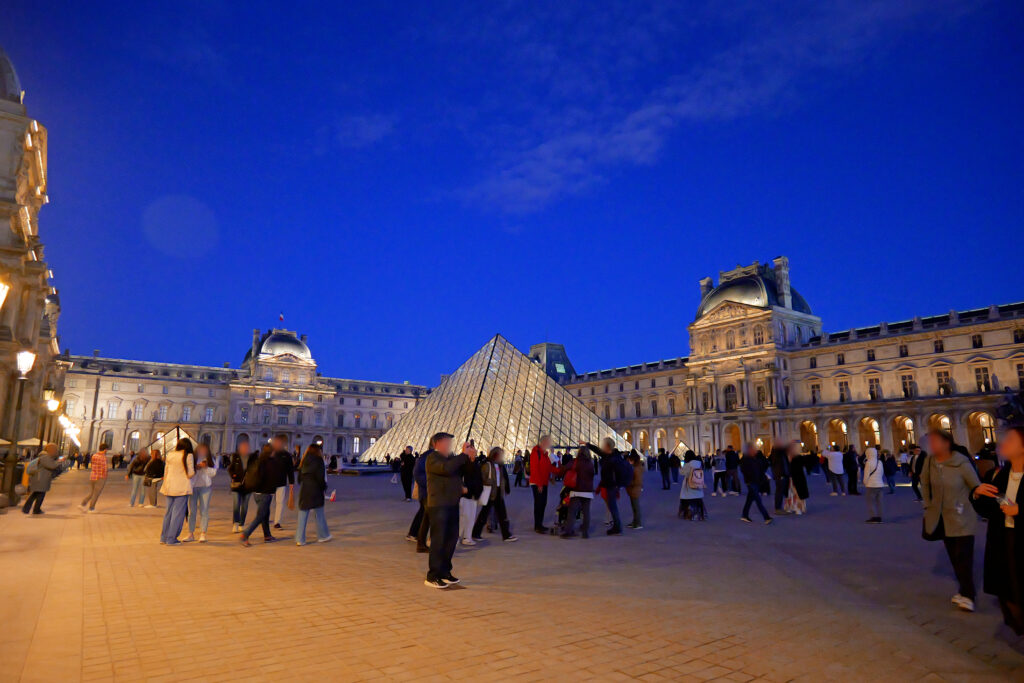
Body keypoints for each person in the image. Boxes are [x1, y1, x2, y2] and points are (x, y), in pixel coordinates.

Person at [921, 429, 988, 612]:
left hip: (962, 517)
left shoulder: (961, 463)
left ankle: (968, 596)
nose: (931, 445)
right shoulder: (929, 462)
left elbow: (975, 485)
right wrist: (928, 504)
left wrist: (980, 492)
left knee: (963, 557)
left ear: (946, 443)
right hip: (942, 517)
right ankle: (963, 590)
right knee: (954, 556)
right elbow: (924, 483)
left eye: (935, 441)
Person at [972, 425, 1024, 635]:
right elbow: (992, 508)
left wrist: (1020, 509)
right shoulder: (1001, 475)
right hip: (1004, 539)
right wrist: (977, 494)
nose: (1003, 444)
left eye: (1010, 440)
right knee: (1008, 591)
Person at [424, 432, 468, 589]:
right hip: (439, 505)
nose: (450, 445)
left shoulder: (450, 458)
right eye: (447, 442)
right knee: (439, 540)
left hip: (451, 503)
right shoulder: (432, 458)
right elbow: (446, 469)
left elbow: (456, 473)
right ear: (437, 443)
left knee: (451, 538)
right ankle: (432, 575)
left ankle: (445, 572)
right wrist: (463, 455)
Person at [580, 437, 627, 536]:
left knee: (612, 506)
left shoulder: (614, 458)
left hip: (612, 485)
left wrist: (617, 485)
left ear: (607, 446)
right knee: (611, 506)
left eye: (603, 445)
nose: (602, 447)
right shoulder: (608, 455)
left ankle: (617, 527)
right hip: (609, 484)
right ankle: (616, 526)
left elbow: (619, 472)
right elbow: (597, 450)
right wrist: (586, 444)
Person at [472, 447, 518, 542]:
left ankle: (506, 535)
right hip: (490, 492)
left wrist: (505, 488)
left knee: (502, 514)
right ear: (496, 455)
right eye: (501, 455)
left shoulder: (500, 465)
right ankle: (476, 533)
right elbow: (482, 478)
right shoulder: (487, 465)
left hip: (497, 492)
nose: (502, 457)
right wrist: (490, 483)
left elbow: (503, 478)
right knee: (484, 514)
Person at [240, 444, 282, 547]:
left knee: (265, 514)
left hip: (256, 493)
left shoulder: (258, 461)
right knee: (260, 516)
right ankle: (245, 534)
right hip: (265, 493)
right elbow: (273, 478)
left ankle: (267, 535)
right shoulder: (271, 463)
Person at [159, 440, 195, 545]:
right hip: (181, 488)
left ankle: (164, 538)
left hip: (169, 486)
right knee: (177, 514)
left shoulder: (170, 455)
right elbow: (190, 473)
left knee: (168, 513)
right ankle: (172, 539)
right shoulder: (188, 456)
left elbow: (166, 471)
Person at [296, 444, 332, 545]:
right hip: (315, 490)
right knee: (319, 514)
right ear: (318, 451)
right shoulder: (319, 461)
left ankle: (300, 539)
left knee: (302, 515)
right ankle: (323, 536)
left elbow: (299, 479)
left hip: (305, 490)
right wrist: (324, 487)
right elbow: (320, 477)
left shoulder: (303, 461)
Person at [184, 442, 217, 543]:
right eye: (201, 449)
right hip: (193, 487)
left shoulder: (211, 460)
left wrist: (205, 467)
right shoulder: (192, 459)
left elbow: (213, 473)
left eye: (204, 449)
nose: (202, 451)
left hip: (205, 488)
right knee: (191, 511)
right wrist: (196, 468)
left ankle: (203, 533)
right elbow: (188, 472)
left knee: (204, 510)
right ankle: (190, 533)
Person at [560, 446, 596, 539]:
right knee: (586, 512)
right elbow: (592, 474)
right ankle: (585, 532)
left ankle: (568, 531)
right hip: (588, 491)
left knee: (572, 511)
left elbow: (564, 469)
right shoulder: (590, 463)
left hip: (576, 490)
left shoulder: (575, 461)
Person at [21, 443, 61, 515]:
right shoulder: (45, 457)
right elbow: (52, 466)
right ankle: (33, 509)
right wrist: (60, 461)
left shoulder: (45, 457)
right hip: (40, 479)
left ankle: (30, 509)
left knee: (37, 494)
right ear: (51, 450)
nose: (56, 452)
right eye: (55, 450)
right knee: (39, 495)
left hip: (41, 479)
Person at [739, 443, 772, 524]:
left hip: (755, 481)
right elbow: (745, 471)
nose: (754, 450)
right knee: (758, 500)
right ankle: (766, 517)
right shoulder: (745, 459)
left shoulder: (753, 458)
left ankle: (744, 515)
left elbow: (760, 468)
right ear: (748, 450)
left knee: (749, 500)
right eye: (752, 449)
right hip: (751, 482)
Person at [458, 442, 483, 545]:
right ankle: (458, 538)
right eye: (467, 447)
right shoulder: (461, 461)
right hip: (465, 494)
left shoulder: (475, 462)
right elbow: (462, 475)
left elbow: (478, 477)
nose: (471, 449)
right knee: (463, 517)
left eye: (471, 447)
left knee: (471, 517)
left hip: (474, 493)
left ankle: (467, 537)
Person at [529, 436, 555, 533]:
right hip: (537, 483)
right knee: (539, 504)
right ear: (543, 442)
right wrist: (539, 484)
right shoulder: (536, 453)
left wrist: (561, 471)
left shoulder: (544, 454)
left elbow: (549, 468)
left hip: (544, 482)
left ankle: (540, 524)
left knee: (543, 503)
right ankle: (537, 526)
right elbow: (535, 469)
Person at [407, 449, 430, 552]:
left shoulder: (420, 458)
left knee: (423, 513)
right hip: (425, 492)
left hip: (424, 492)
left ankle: (414, 534)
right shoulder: (424, 459)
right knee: (424, 513)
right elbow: (418, 474)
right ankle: (416, 536)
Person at [228, 438, 253, 532]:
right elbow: (230, 468)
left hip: (248, 485)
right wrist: (233, 476)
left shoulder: (251, 458)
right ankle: (236, 523)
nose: (245, 448)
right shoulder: (236, 456)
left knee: (245, 506)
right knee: (236, 504)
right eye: (243, 447)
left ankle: (242, 523)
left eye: (246, 447)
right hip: (236, 485)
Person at [270, 434, 295, 530]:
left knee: (280, 502)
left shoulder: (287, 455)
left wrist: (291, 483)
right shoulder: (270, 453)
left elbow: (290, 470)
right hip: (270, 482)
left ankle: (277, 522)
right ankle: (265, 518)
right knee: (268, 502)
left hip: (281, 482)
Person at [79, 444, 110, 513]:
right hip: (100, 477)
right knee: (96, 494)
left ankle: (82, 504)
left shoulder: (94, 455)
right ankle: (91, 508)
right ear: (105, 449)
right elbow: (105, 468)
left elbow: (93, 465)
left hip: (93, 476)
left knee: (92, 492)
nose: (107, 451)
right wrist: (105, 475)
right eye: (107, 449)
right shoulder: (103, 457)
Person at [678, 451, 706, 521]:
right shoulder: (699, 463)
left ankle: (689, 514)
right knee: (698, 499)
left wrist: (680, 467)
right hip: (698, 483)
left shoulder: (688, 464)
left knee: (687, 499)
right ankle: (700, 514)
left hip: (689, 484)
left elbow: (683, 473)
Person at [862, 447, 886, 524]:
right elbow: (882, 473)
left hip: (871, 485)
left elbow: (866, 475)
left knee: (871, 502)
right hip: (880, 484)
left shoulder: (868, 462)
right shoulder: (880, 462)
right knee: (879, 502)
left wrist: (865, 483)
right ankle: (880, 517)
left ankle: (873, 517)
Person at [786, 441, 809, 515]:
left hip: (797, 477)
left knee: (797, 493)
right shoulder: (787, 458)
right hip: (791, 478)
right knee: (791, 493)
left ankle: (798, 508)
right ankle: (792, 507)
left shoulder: (798, 458)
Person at [769, 445, 791, 515]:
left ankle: (784, 506)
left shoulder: (782, 456)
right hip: (780, 475)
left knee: (783, 491)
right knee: (779, 491)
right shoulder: (777, 456)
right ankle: (778, 508)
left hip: (784, 474)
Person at [625, 450, 645, 529]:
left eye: (630, 460)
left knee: (636, 507)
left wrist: (629, 483)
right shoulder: (636, 467)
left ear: (633, 460)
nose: (629, 462)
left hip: (635, 489)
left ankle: (638, 523)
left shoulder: (636, 469)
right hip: (633, 489)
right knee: (634, 507)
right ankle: (635, 522)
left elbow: (637, 481)